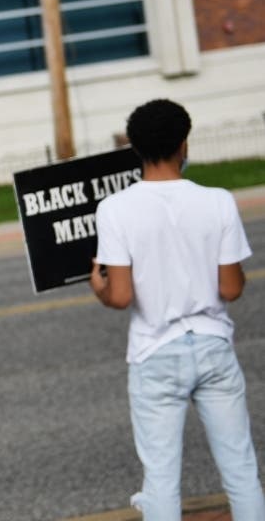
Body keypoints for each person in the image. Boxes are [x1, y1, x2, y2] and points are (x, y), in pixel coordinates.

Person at [91, 98, 265, 520]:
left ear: (134, 147)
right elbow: (231, 287)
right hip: (212, 345)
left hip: (155, 351)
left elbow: (120, 296)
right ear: (183, 143)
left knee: (162, 481)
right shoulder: (219, 200)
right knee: (241, 471)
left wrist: (98, 284)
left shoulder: (114, 209)